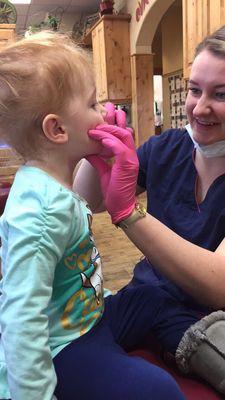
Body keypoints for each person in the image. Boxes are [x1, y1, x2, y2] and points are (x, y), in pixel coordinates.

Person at [0, 31, 184, 400]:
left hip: (93, 314)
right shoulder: (40, 212)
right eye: (92, 104)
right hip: (66, 344)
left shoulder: (54, 186)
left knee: (156, 297)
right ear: (58, 129)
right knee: (159, 390)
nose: (104, 111)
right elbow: (21, 319)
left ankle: (200, 346)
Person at [74, 25, 225, 395]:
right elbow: (85, 201)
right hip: (142, 300)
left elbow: (218, 286)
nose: (199, 107)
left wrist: (128, 212)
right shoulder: (166, 148)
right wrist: (96, 152)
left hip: (203, 321)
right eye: (194, 90)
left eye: (221, 95)